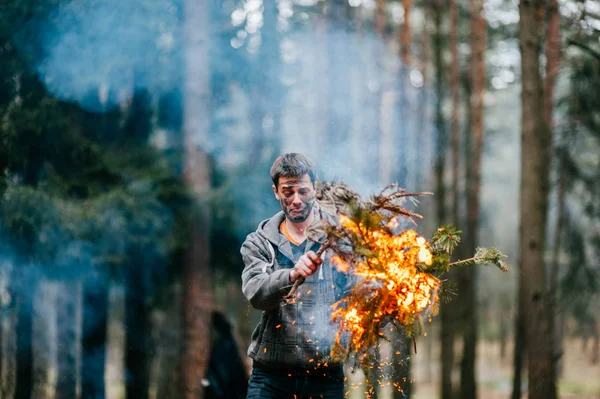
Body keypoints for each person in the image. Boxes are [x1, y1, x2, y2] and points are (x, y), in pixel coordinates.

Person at [241, 153, 351, 399]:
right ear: (276, 192)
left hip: (325, 376)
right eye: (288, 192)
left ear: (314, 188)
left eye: (303, 191)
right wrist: (291, 275)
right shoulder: (259, 242)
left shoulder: (338, 240)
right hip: (270, 377)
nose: (296, 200)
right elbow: (256, 295)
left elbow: (357, 291)